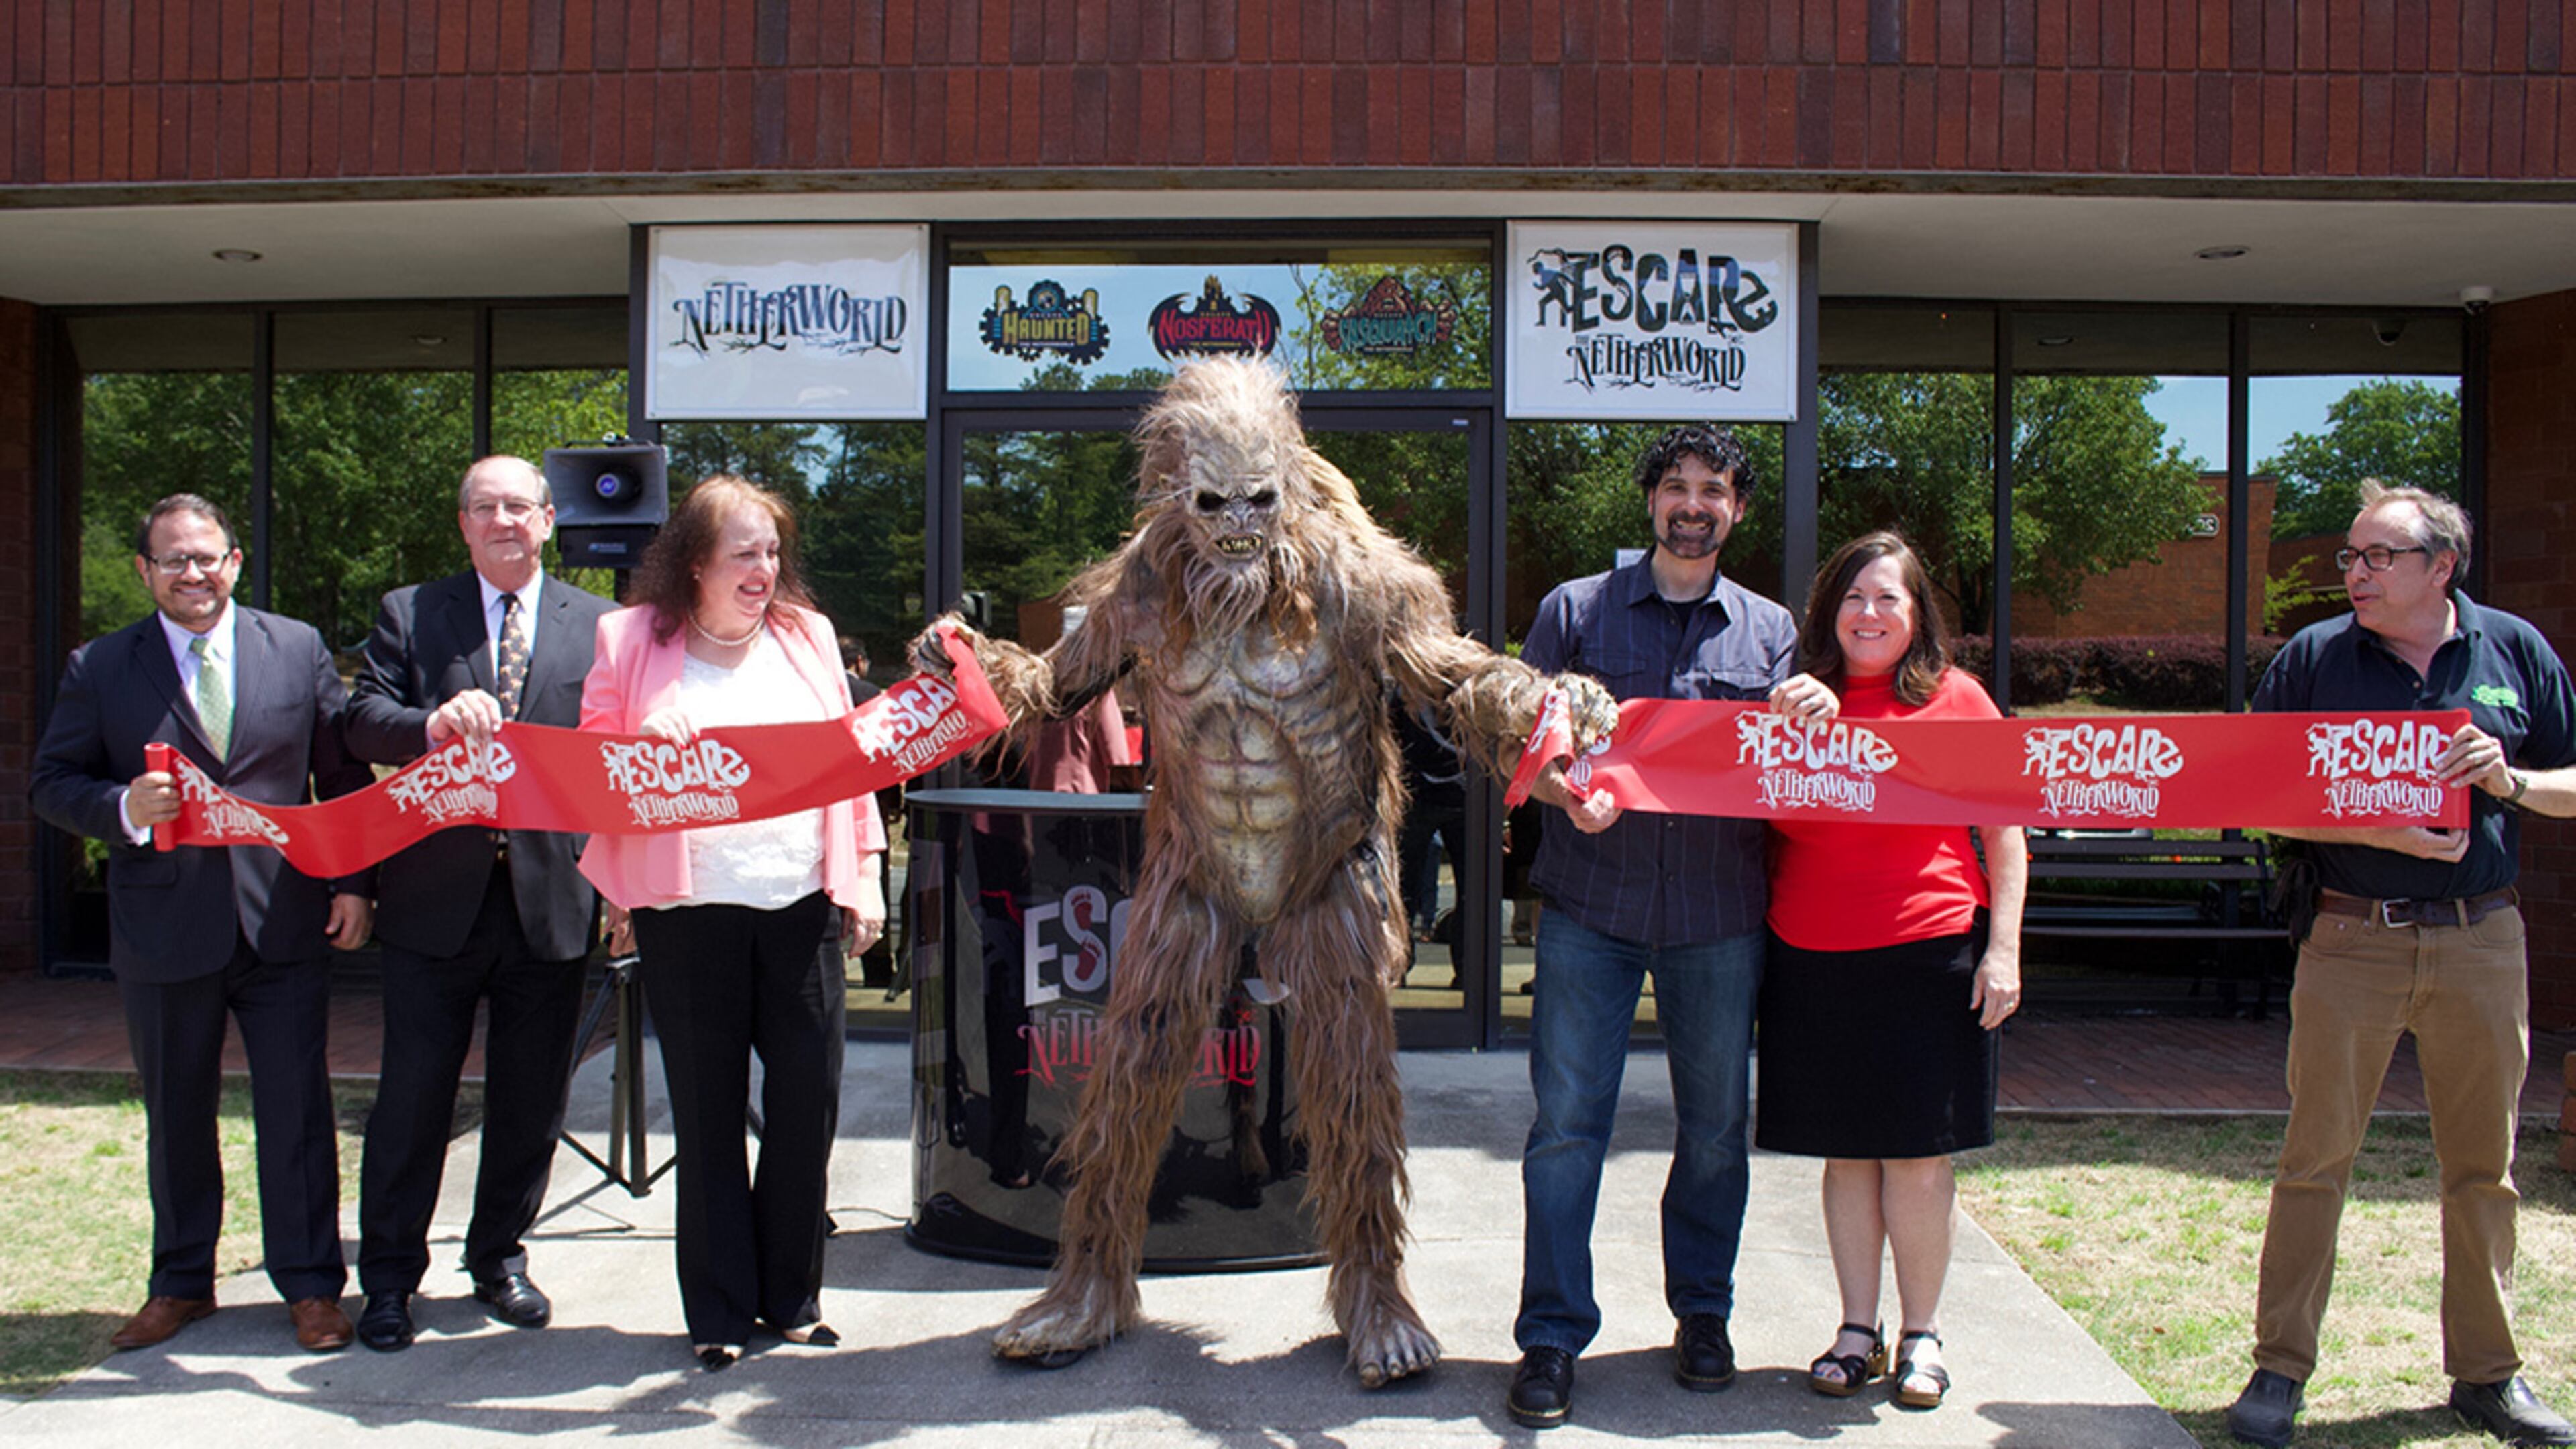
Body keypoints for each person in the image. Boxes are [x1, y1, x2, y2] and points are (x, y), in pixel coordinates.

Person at [2224, 482, 2576, 1449]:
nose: (2355, 574)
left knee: (2484, 1170)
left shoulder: (2512, 652)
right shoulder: (2315, 658)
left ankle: (2489, 1378)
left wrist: (2511, 783)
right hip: (2352, 935)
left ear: (2440, 567)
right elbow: (2255, 796)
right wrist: (2376, 830)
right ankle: (2279, 1370)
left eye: (2377, 557)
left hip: (2482, 938)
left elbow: (2572, 783)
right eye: (2350, 557)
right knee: (2315, 1161)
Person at [30, 494, 374, 1354]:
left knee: (298, 1111)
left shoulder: (294, 648)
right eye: (174, 560)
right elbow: (50, 783)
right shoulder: (100, 666)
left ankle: (310, 1288)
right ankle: (181, 1284)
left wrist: (354, 883)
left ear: (235, 563)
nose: (195, 573)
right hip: (163, 927)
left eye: (208, 556)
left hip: (284, 922)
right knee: (177, 1113)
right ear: (146, 570)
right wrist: (123, 808)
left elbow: (340, 775)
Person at [1506, 424, 1796, 1429]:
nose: (1693, 503)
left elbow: (1794, 774)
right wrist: (1562, 795)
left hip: (1719, 917)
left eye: (1713, 489)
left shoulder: (1773, 636)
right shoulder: (1574, 612)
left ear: (1737, 511)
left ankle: (1703, 1315)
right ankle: (1550, 1335)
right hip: (1592, 907)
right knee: (1564, 1131)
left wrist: (1812, 713)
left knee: (1715, 1132)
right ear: (1650, 503)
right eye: (1676, 486)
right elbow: (1526, 748)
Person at [577, 475, 886, 1371]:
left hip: (796, 907)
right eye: (745, 552)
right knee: (708, 1115)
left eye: (774, 551)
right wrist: (643, 732)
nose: (765, 569)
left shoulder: (808, 637)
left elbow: (851, 765)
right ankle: (716, 1310)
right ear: (695, 562)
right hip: (687, 913)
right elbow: (594, 765)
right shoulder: (628, 637)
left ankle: (792, 1295)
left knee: (804, 1108)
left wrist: (862, 875)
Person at [339, 455, 616, 1352]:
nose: (503, 520)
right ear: (463, 524)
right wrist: (426, 724)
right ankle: (387, 1280)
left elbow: (616, 758)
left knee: (532, 1100)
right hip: (436, 902)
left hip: (553, 902)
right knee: (413, 1099)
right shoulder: (411, 613)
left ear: (547, 521)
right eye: (484, 507)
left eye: (519, 506)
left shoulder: (604, 626)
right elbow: (359, 716)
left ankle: (498, 1257)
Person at [1760, 531, 2026, 1411]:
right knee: (1847, 1156)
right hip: (1811, 954)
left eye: (1888, 600)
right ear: (1827, 613)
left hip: (1928, 949)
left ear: (1918, 619)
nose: (1868, 615)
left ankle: (1923, 1335)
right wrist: (1779, 721)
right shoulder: (1796, 702)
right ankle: (1856, 1330)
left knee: (1917, 1157)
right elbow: (1748, 800)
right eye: (1853, 598)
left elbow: (2005, 833)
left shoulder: (1958, 700)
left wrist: (2005, 948)